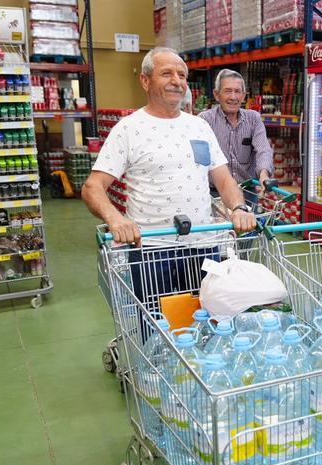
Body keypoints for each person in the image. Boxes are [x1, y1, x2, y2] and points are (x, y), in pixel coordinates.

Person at [81, 47, 256, 307]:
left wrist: (239, 208)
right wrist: (115, 218)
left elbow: (224, 179)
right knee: (155, 327)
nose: (177, 81)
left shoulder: (199, 126)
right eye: (166, 73)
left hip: (203, 245)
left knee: (208, 321)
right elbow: (92, 187)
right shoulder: (129, 129)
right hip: (152, 250)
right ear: (145, 80)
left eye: (182, 75)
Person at [199, 69, 274, 195]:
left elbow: (263, 150)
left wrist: (264, 174)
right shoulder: (205, 120)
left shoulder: (253, 119)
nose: (233, 97)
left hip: (246, 192)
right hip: (215, 193)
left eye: (237, 91)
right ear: (217, 95)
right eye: (228, 91)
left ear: (244, 95)